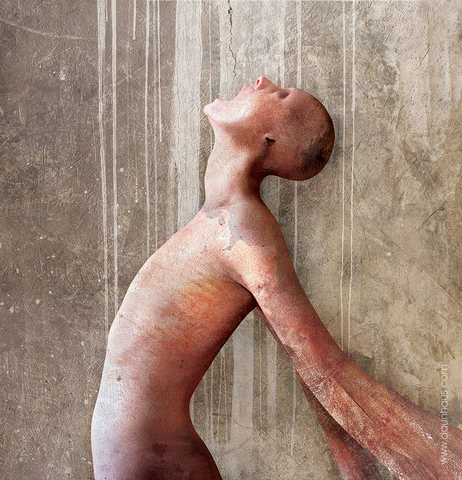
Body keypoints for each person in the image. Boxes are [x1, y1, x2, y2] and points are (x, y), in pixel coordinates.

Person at [91, 76, 461, 479]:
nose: (263, 81)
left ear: (269, 140)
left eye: (281, 95)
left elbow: (322, 367)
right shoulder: (222, 222)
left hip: (155, 460)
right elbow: (302, 360)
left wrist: (431, 457)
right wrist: (353, 467)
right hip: (151, 456)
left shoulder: (244, 230)